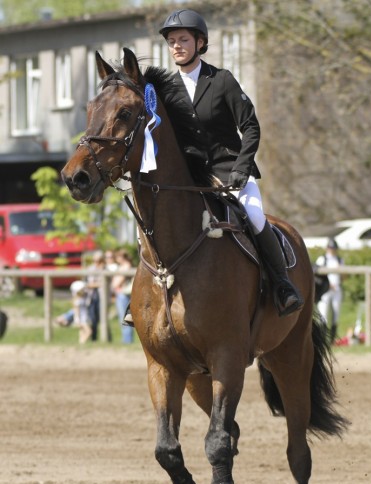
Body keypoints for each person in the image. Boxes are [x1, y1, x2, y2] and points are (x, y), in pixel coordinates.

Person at [157, 9, 303, 317]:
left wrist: (242, 168)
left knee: (254, 216)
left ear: (200, 42)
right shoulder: (165, 90)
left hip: (229, 170)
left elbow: (250, 126)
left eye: (183, 39)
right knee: (155, 222)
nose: (176, 47)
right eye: (171, 41)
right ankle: (147, 297)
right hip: (189, 178)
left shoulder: (221, 80)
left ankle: (282, 285)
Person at [315, 238, 343, 342]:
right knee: (323, 315)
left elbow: (343, 276)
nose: (332, 250)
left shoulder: (339, 260)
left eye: (333, 248)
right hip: (325, 290)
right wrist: (328, 285)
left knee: (336, 314)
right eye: (330, 247)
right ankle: (322, 338)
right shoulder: (322, 259)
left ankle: (332, 339)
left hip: (337, 289)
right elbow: (318, 276)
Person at [111, 249, 134, 344]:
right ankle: (126, 340)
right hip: (120, 294)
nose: (116, 259)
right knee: (123, 318)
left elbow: (117, 282)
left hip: (123, 295)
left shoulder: (126, 266)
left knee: (125, 318)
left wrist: (114, 285)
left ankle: (127, 340)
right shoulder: (122, 266)